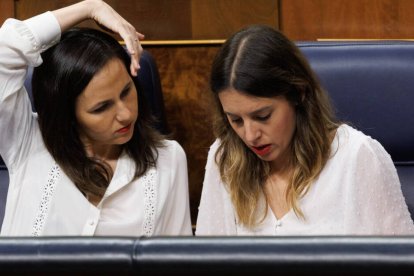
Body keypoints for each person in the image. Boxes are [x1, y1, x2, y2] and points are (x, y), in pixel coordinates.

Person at [196, 25, 414, 235]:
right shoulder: (224, 157)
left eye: (262, 117)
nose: (250, 135)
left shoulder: (358, 157)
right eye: (236, 120)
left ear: (299, 93)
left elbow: (400, 261)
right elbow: (208, 262)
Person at [0, 0, 192, 236]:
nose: (126, 114)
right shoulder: (26, 140)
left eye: (126, 91)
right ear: (67, 114)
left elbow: (173, 260)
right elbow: (5, 49)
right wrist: (90, 8)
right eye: (101, 108)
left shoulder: (167, 158)